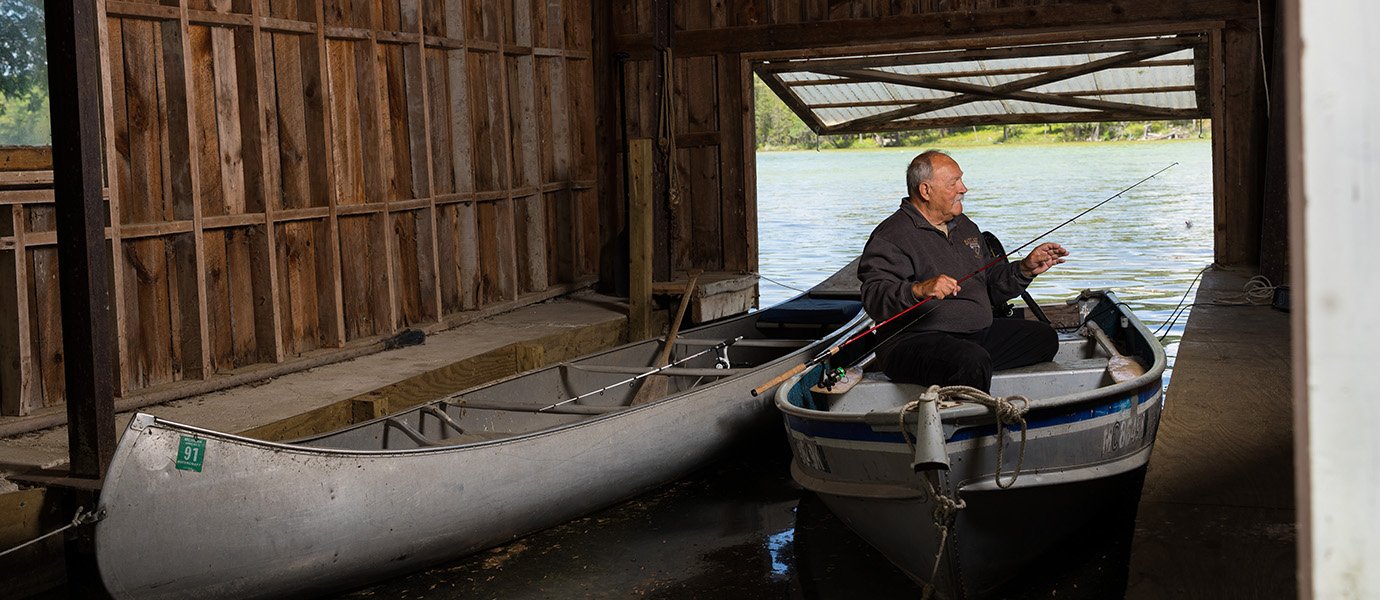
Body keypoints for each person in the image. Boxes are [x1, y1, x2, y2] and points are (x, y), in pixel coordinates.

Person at [857, 150, 1068, 392]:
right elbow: (874, 297)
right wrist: (918, 289)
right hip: (911, 342)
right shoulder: (891, 236)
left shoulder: (966, 227)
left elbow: (990, 286)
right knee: (970, 360)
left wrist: (1024, 270)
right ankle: (979, 424)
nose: (964, 188)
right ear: (926, 191)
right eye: (953, 183)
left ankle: (974, 374)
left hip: (974, 334)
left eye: (961, 179)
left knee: (1044, 339)